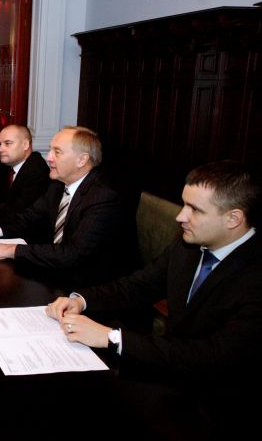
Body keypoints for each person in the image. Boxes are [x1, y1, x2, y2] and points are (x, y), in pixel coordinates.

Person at [45, 161, 261, 438]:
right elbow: (139, 286)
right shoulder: (189, 244)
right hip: (170, 375)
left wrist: (112, 337)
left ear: (233, 218)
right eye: (184, 204)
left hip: (219, 406)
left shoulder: (254, 276)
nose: (180, 217)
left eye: (194, 209)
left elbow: (214, 356)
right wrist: (81, 300)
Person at [0, 126, 132, 287]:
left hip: (91, 289)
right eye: (50, 150)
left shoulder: (103, 197)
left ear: (81, 160)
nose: (49, 158)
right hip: (56, 274)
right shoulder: (57, 187)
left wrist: (7, 250)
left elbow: (72, 254)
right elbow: (27, 218)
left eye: (57, 152)